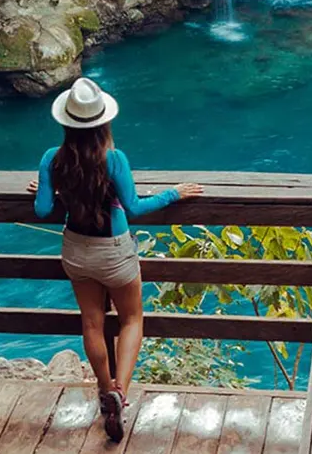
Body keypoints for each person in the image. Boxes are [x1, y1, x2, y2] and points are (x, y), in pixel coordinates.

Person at [28, 77, 202, 442]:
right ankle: (119, 394)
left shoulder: (52, 160)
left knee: (92, 323)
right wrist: (175, 193)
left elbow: (43, 209)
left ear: (66, 122)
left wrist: (55, 189)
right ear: (103, 122)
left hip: (75, 250)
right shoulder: (114, 159)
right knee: (132, 318)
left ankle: (103, 387)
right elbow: (136, 207)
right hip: (115, 253)